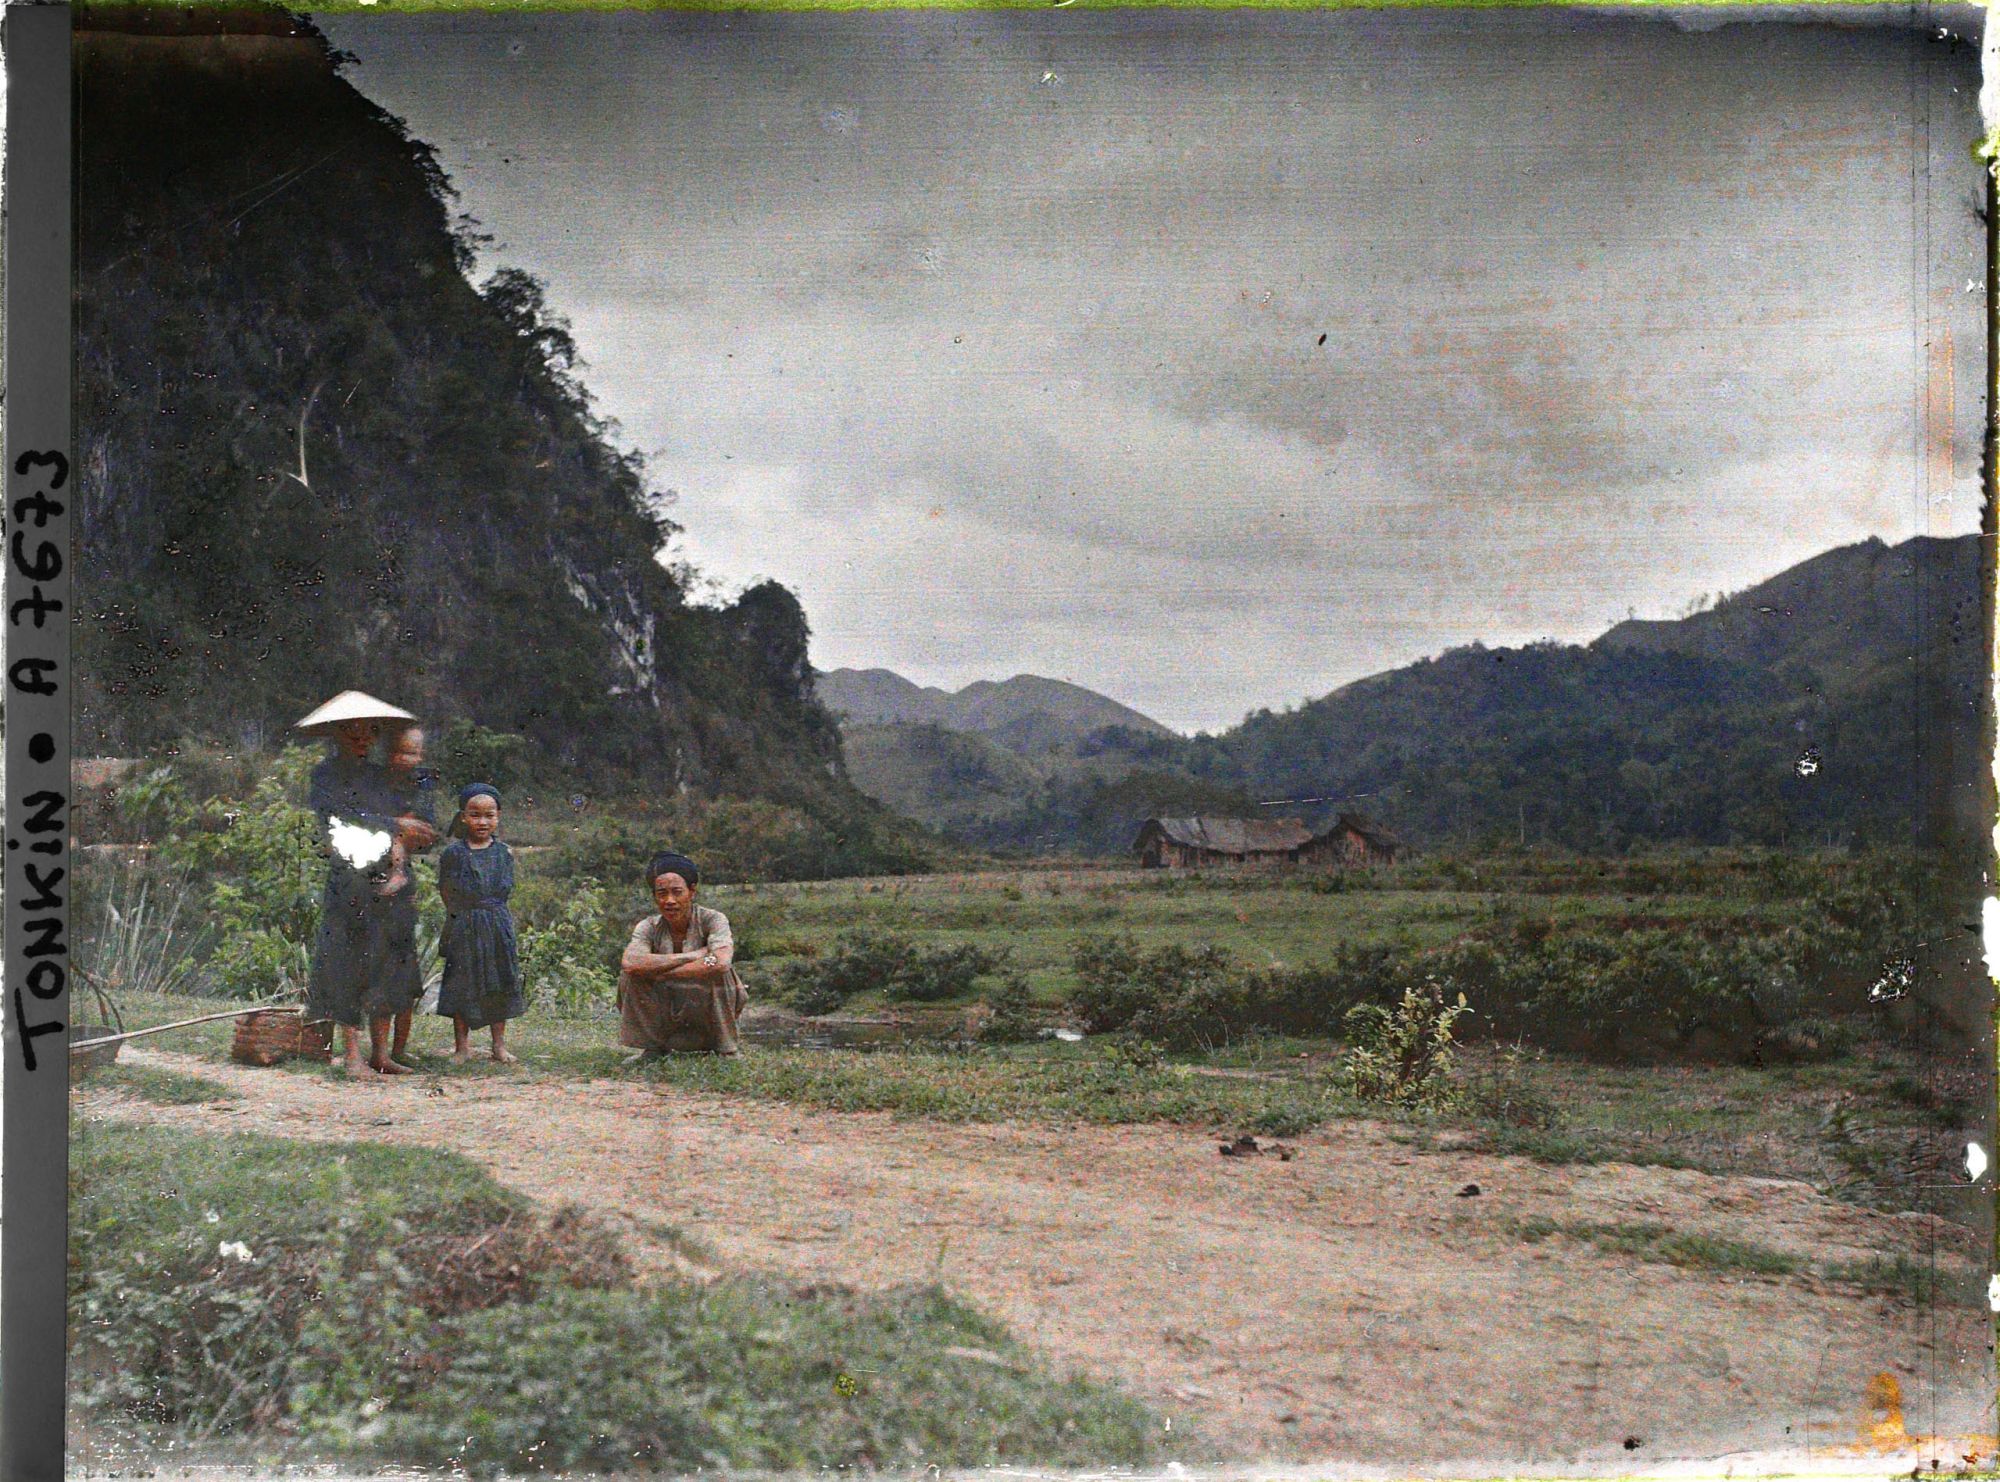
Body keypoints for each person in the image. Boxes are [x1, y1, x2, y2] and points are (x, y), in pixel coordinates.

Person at [304, 715, 410, 1079]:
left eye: (369, 732)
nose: (362, 739)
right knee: (346, 962)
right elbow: (339, 817)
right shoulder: (324, 776)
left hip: (383, 875)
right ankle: (351, 1055)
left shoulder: (380, 776)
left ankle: (380, 1054)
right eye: (353, 731)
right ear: (337, 734)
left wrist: (397, 859)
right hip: (347, 876)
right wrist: (392, 824)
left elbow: (396, 817)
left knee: (384, 961)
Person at [618, 851, 747, 1059]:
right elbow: (631, 962)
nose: (669, 900)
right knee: (630, 975)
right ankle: (653, 1048)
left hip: (703, 1008)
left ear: (692, 891)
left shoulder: (713, 919)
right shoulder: (648, 926)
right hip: (667, 1008)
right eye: (661, 893)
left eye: (677, 892)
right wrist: (691, 956)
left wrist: (662, 973)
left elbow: (721, 961)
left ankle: (726, 1049)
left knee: (721, 973)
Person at [435, 783, 524, 1065]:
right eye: (475, 815)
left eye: (489, 815)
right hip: (464, 923)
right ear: (463, 816)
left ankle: (498, 1046)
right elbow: (446, 891)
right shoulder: (453, 854)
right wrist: (463, 916)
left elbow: (505, 889)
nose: (482, 822)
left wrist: (490, 915)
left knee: (499, 982)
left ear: (498, 817)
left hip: (497, 925)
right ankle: (462, 1048)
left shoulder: (504, 853)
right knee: (464, 983)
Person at [379, 725, 439, 1070]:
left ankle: (399, 1048)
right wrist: (396, 826)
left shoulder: (422, 786)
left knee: (405, 972)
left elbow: (426, 833)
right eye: (401, 752)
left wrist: (406, 829)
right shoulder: (376, 785)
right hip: (375, 878)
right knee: (381, 974)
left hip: (402, 887)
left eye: (414, 753)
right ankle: (382, 1051)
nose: (408, 759)